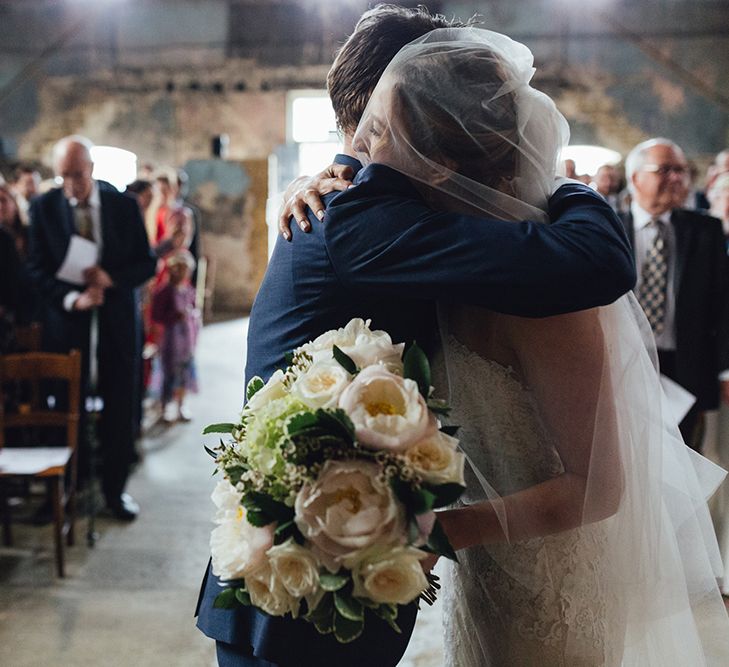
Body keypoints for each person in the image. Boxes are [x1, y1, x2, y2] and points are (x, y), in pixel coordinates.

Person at [196, 6, 636, 667]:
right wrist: (566, 189)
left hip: (315, 578)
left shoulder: (346, 204)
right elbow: (592, 261)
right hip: (306, 593)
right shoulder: (360, 220)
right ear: (401, 104)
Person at [345, 27, 729, 665]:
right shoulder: (453, 255)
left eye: (383, 135)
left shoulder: (546, 282)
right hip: (488, 570)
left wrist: (435, 529)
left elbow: (599, 489)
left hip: (550, 582)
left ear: (438, 159)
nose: (366, 154)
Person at [27, 135, 156, 520]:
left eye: (78, 175)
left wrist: (110, 278)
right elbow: (36, 269)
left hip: (116, 322)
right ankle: (65, 490)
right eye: (63, 176)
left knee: (119, 408)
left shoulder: (123, 206)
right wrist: (73, 299)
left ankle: (114, 493)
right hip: (67, 324)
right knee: (67, 408)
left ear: (92, 170)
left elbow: (146, 264)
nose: (71, 185)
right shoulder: (44, 208)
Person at [620, 138, 729, 447]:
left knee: (685, 465)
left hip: (686, 367)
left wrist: (726, 369)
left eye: (682, 170)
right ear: (635, 177)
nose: (677, 178)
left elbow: (723, 304)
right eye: (665, 169)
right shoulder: (609, 228)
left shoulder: (704, 230)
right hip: (624, 365)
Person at [150, 249, 199, 422]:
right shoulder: (163, 291)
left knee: (185, 372)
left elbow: (194, 308)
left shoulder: (188, 290)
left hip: (186, 338)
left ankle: (181, 405)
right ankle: (164, 406)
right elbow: (155, 316)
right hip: (170, 339)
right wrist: (174, 316)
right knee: (168, 373)